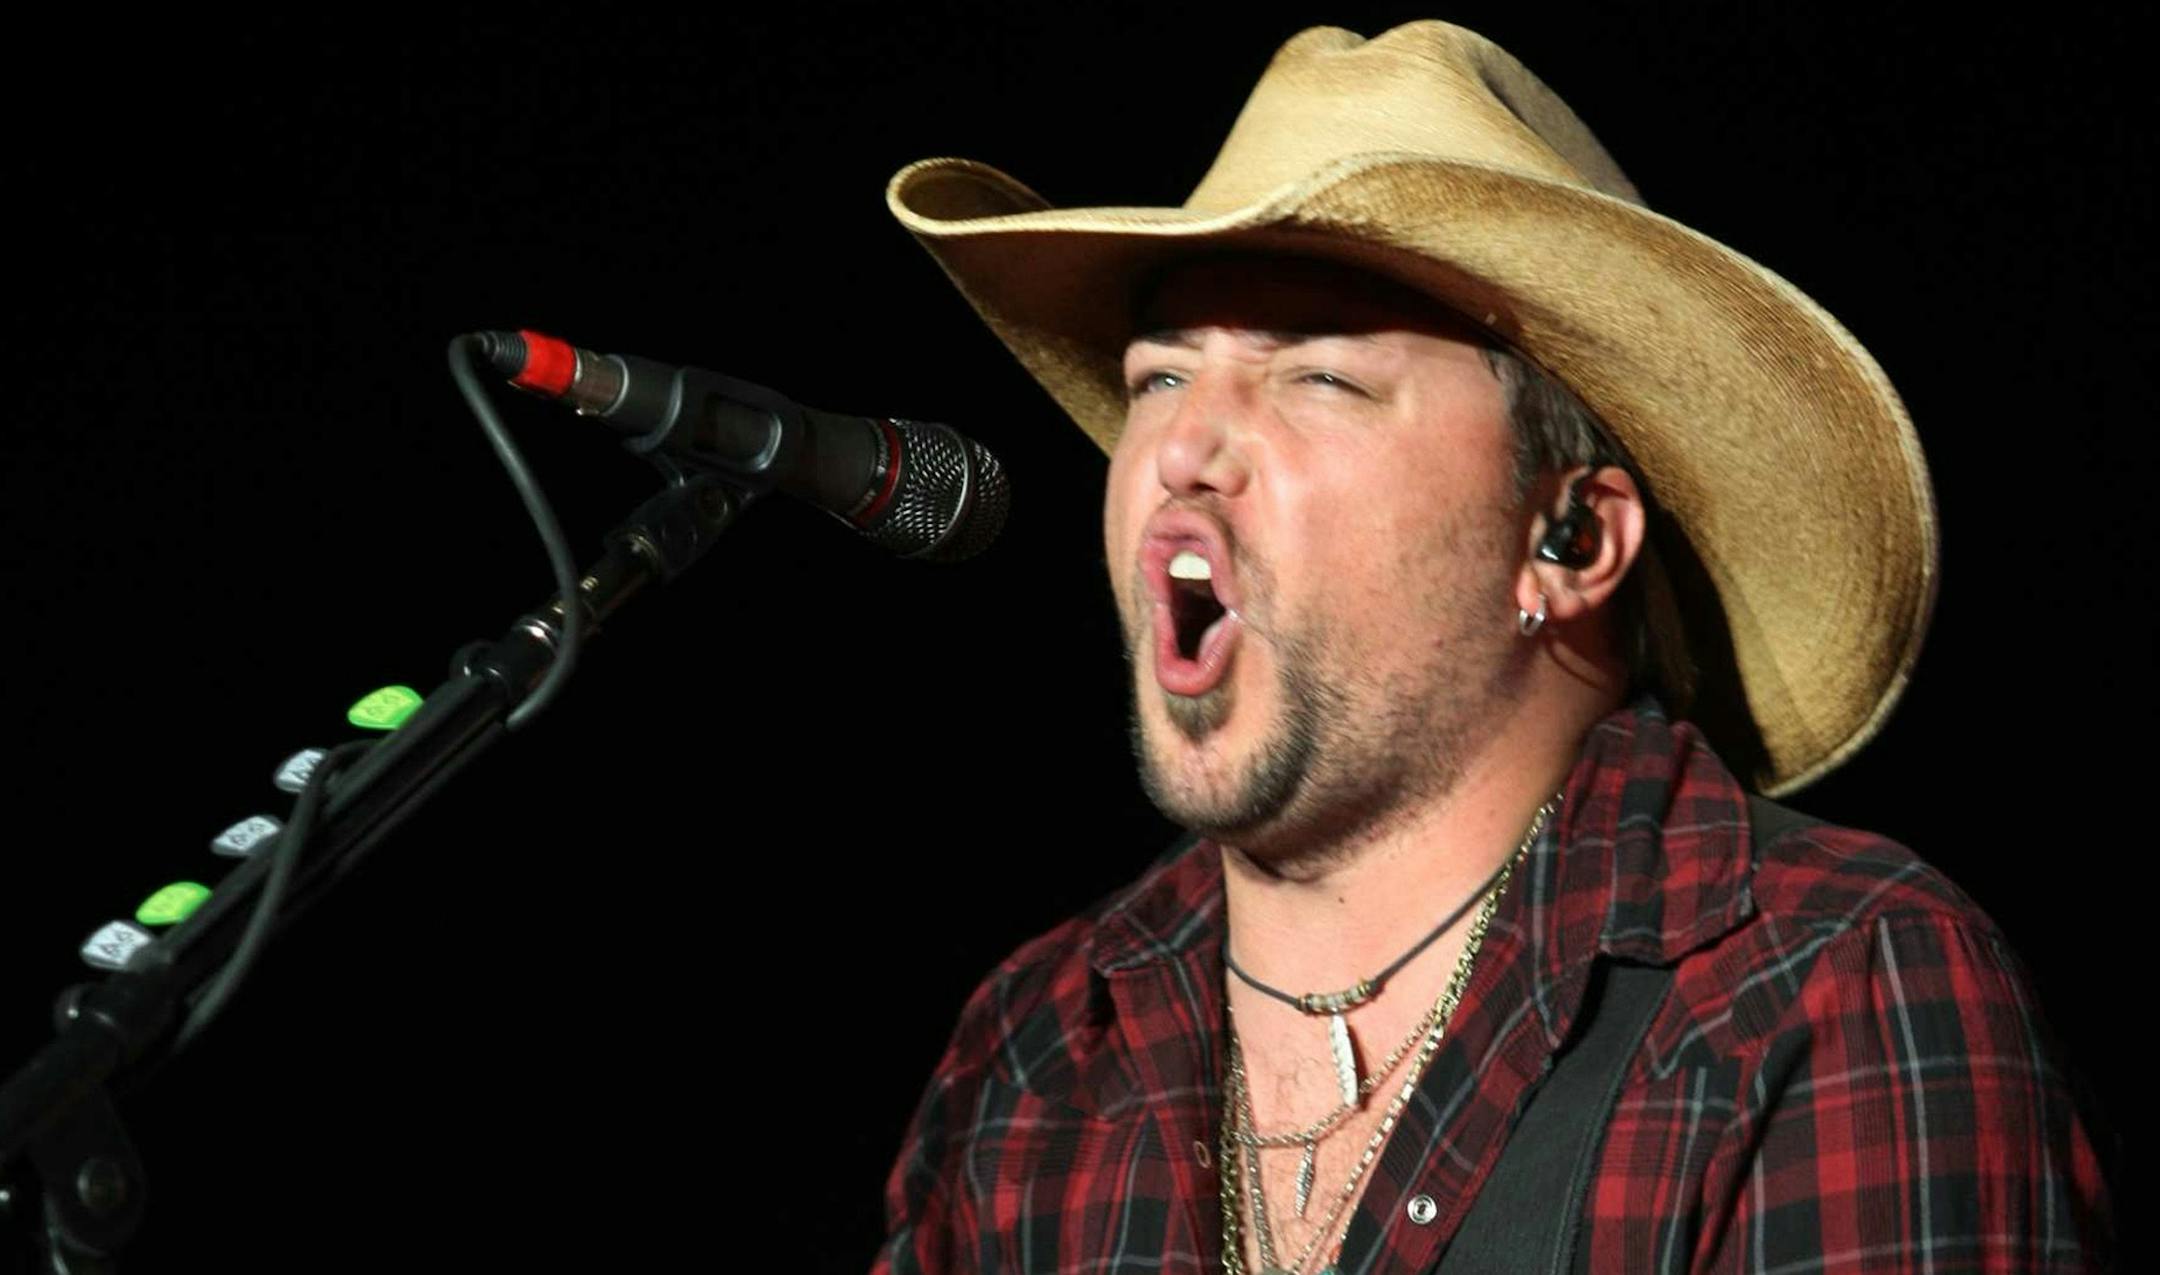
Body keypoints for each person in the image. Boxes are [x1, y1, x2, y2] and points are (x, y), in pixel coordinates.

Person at [871, 20, 2113, 1274]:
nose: (1181, 451)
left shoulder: (1822, 988)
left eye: (1319, 380)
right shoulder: (1037, 1056)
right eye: (1158, 380)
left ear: (1568, 541)